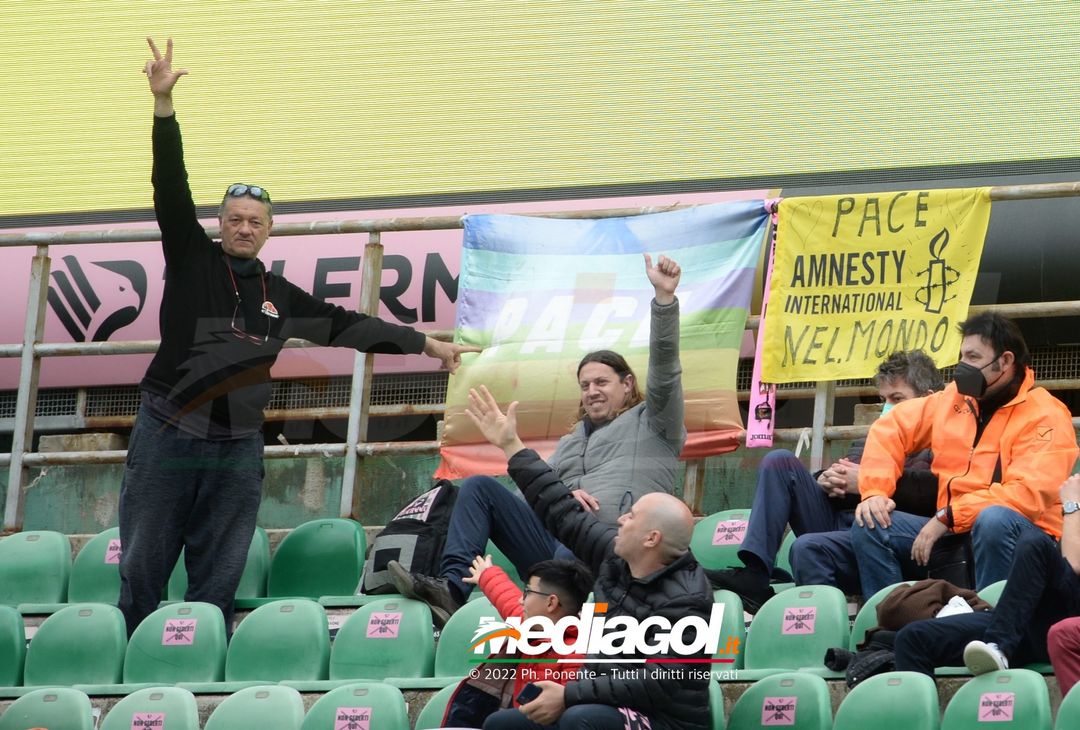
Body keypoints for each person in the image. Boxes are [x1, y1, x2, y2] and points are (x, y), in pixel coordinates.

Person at [119, 38, 477, 636]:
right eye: (233, 219)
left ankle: (201, 646)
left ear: (268, 232)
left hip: (235, 443)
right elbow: (169, 189)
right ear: (219, 224)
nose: (242, 228)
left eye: (254, 222)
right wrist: (163, 109)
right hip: (169, 430)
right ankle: (129, 650)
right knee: (144, 558)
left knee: (220, 567)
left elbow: (350, 325)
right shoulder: (190, 258)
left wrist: (427, 345)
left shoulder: (279, 295)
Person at [390, 253, 686, 625]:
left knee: (572, 536)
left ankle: (572, 621)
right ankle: (450, 590)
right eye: (584, 385)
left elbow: (665, 369)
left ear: (628, 385)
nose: (591, 391)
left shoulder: (656, 421)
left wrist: (663, 301)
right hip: (557, 548)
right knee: (480, 488)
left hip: (614, 550)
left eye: (601, 382)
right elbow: (527, 498)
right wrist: (562, 498)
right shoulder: (572, 440)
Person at [464, 384, 713, 730]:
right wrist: (511, 446)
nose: (621, 518)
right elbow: (563, 513)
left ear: (651, 538)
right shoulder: (615, 557)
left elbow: (660, 684)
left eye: (632, 516)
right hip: (602, 702)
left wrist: (569, 695)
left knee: (581, 719)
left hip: (665, 720)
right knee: (502, 724)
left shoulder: (688, 600)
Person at [851, 312, 1078, 597]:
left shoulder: (1047, 414)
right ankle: (891, 625)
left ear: (1005, 361)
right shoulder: (953, 398)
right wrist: (874, 492)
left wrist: (949, 515)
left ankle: (991, 627)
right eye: (962, 356)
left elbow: (1025, 496)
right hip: (954, 528)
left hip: (1024, 535)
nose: (962, 367)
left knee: (994, 519)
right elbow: (891, 427)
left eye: (972, 357)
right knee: (871, 522)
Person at [708, 350, 942, 610]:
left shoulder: (946, 440)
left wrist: (864, 481)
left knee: (806, 547)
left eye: (897, 398)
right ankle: (755, 574)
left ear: (929, 400)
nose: (887, 407)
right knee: (779, 461)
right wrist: (826, 479)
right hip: (840, 525)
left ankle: (830, 631)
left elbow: (936, 493)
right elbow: (845, 472)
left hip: (889, 536)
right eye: (884, 399)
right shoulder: (874, 435)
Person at [891, 475, 1080, 678]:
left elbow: (1073, 564)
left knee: (1035, 542)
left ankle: (999, 645)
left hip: (1069, 625)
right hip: (1026, 623)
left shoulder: (1073, 503)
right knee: (912, 638)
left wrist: (1072, 504)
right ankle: (927, 708)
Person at [443, 557, 593, 728]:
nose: (521, 600)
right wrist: (488, 575)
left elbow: (572, 713)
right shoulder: (530, 627)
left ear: (551, 603)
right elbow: (507, 599)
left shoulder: (579, 654)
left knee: (499, 722)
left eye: (527, 593)